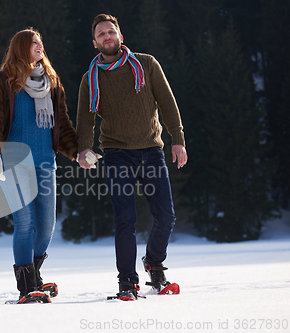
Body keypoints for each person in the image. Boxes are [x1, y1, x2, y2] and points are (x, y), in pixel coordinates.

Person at [76, 14, 188, 301]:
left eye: (111, 32)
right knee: (125, 219)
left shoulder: (147, 64)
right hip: (116, 154)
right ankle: (127, 282)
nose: (107, 36)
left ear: (120, 36)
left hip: (151, 149)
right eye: (101, 34)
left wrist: (178, 141)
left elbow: (168, 102)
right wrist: (83, 149)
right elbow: (85, 121)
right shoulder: (91, 79)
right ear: (94, 42)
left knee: (166, 216)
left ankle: (154, 265)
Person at [0, 28, 78, 304]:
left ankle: (34, 277)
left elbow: (62, 125)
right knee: (24, 223)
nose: (40, 46)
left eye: (41, 42)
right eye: (34, 42)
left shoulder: (51, 81)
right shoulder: (1, 80)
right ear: (21, 47)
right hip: (13, 160)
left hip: (45, 162)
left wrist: (78, 152)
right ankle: (26, 287)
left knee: (47, 226)